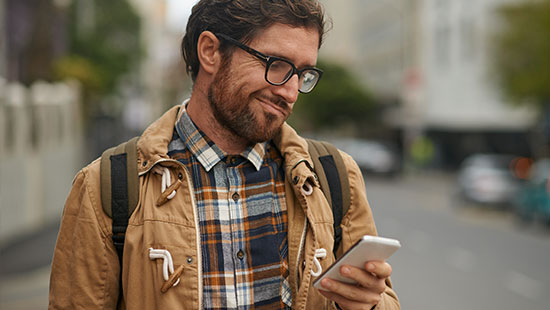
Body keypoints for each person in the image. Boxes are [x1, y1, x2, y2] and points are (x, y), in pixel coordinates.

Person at [49, 0, 400, 309]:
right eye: (276, 64)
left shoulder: (333, 176)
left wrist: (365, 305)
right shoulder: (107, 187)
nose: (291, 92)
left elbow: (382, 299)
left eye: (303, 73)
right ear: (211, 52)